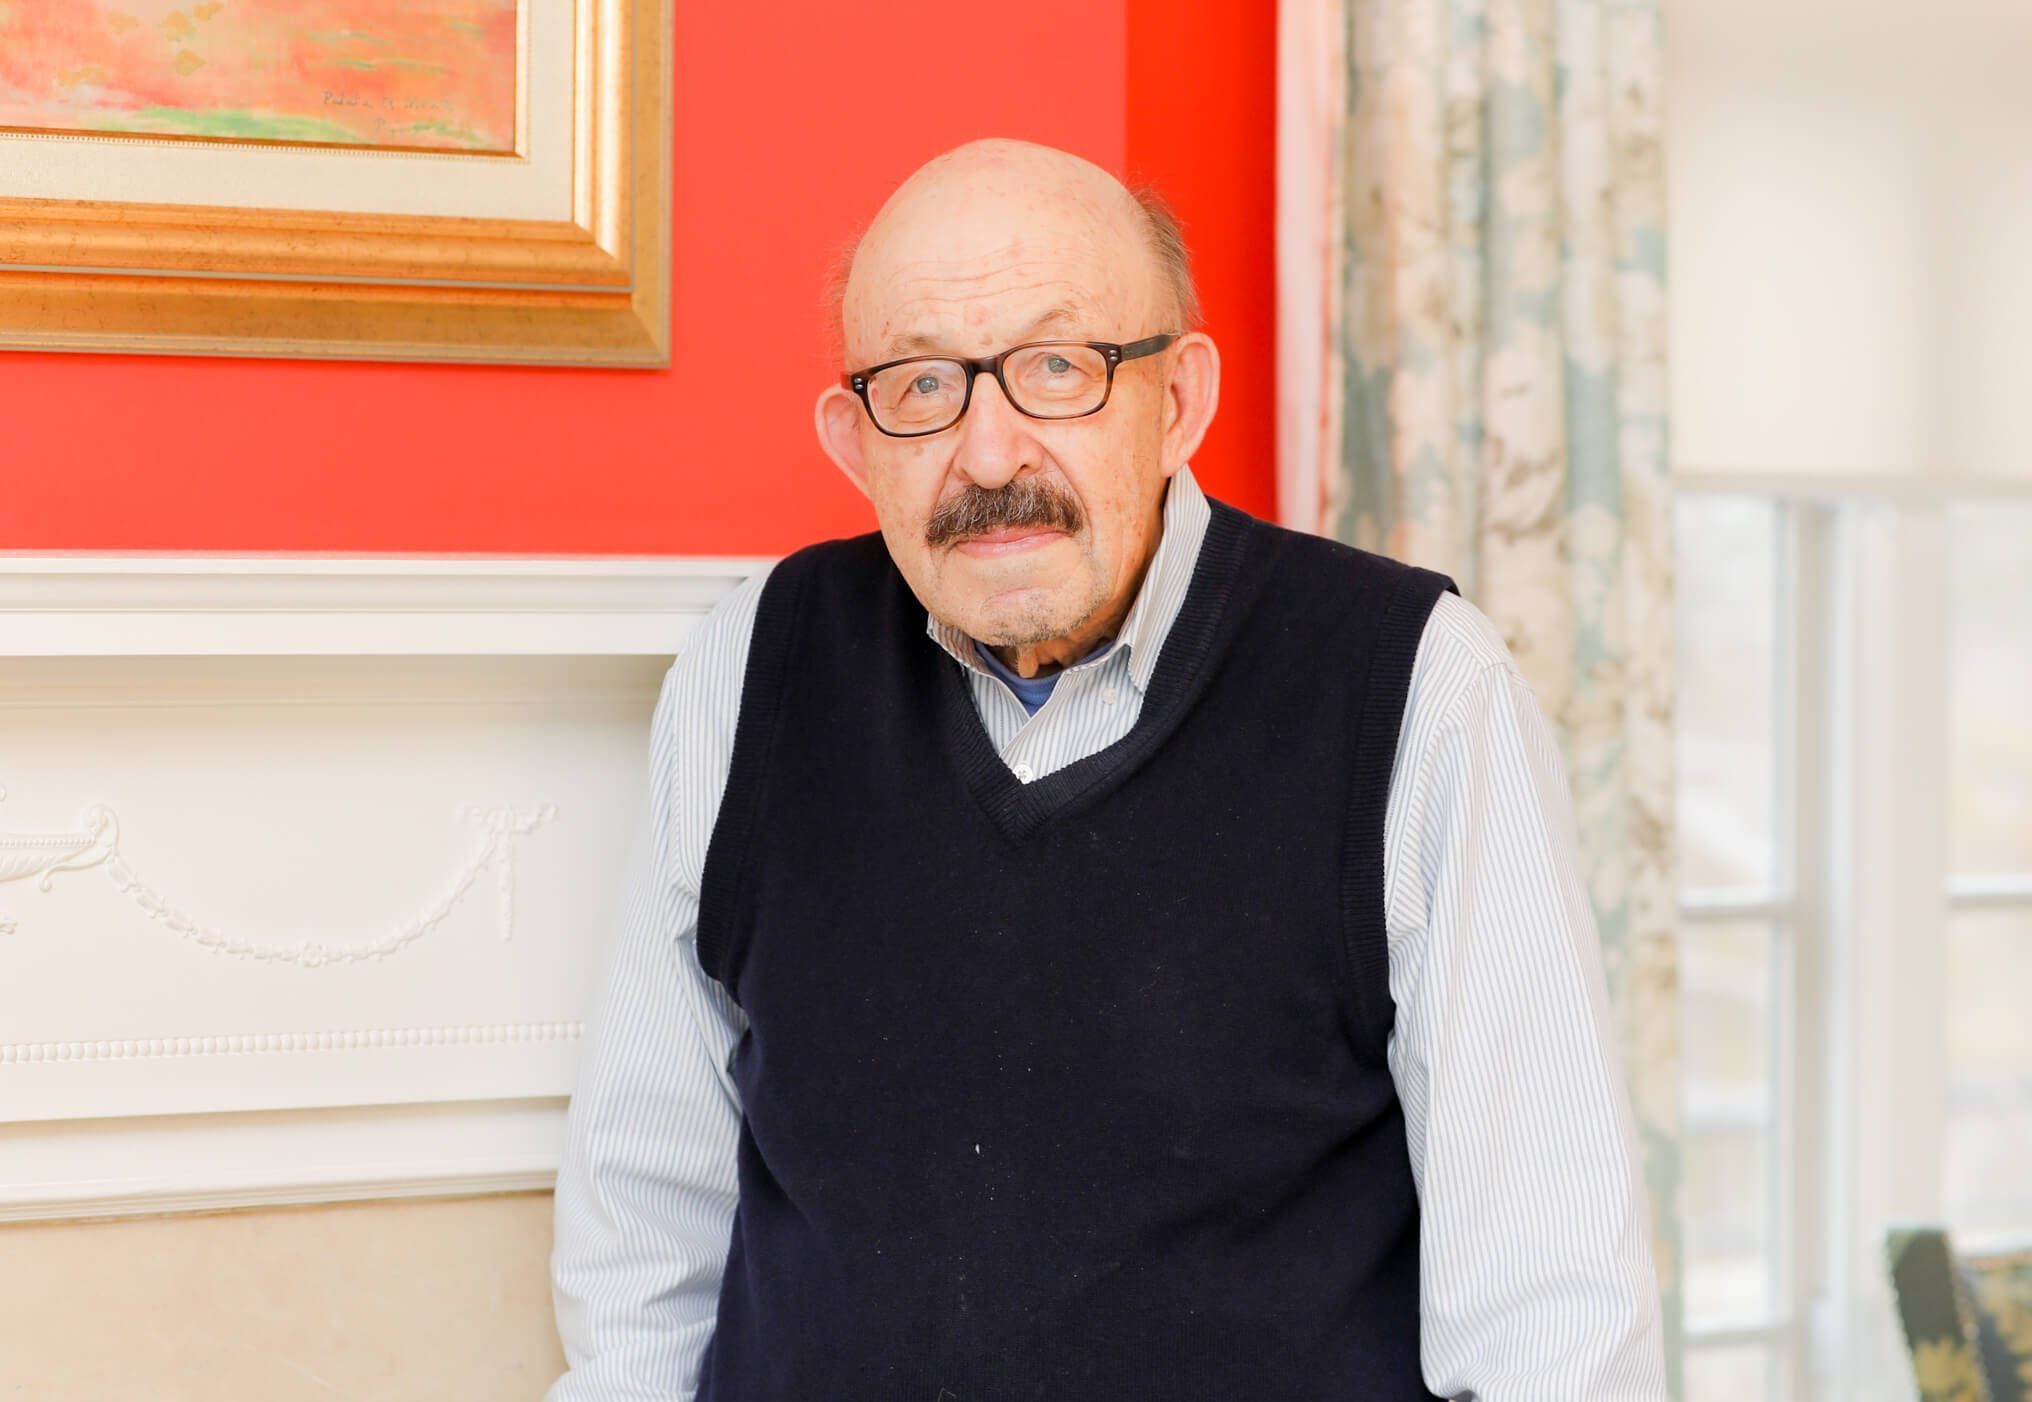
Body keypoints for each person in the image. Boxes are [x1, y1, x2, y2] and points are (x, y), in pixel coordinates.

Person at [545, 137, 1666, 1400]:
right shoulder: (744, 671)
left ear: (1178, 399)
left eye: (1056, 370)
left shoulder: (1417, 687)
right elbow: (643, 1229)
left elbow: (1555, 1320)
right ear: (853, 441)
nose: (987, 455)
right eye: (920, 388)